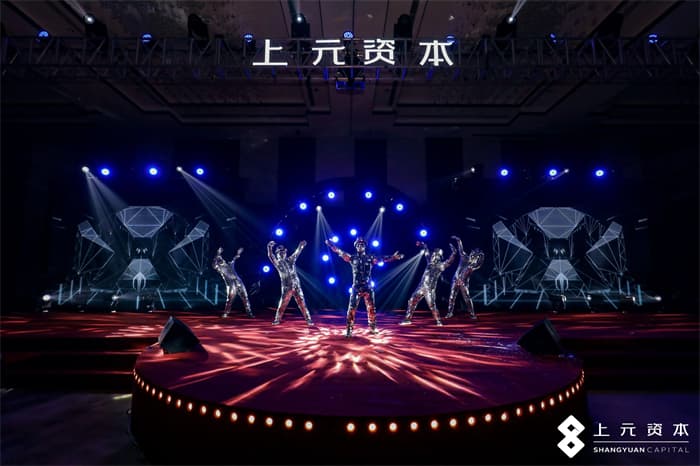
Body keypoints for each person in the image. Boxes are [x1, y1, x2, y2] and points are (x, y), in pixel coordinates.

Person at [325, 237, 404, 337]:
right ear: (355, 246)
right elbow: (339, 251)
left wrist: (393, 257)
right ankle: (349, 330)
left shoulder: (370, 258)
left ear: (365, 246)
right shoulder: (352, 258)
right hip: (356, 287)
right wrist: (331, 245)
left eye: (362, 244)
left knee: (371, 308)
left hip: (368, 287)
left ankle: (373, 327)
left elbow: (383, 258)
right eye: (358, 244)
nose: (360, 246)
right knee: (352, 309)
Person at [400, 241, 457, 326]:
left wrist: (454, 253)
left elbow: (449, 262)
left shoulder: (440, 266)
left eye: (435, 255)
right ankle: (407, 319)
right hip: (421, 287)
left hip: (429, 289)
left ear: (439, 257)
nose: (433, 256)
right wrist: (423, 245)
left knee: (432, 305)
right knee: (412, 301)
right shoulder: (429, 263)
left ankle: (438, 320)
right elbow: (426, 252)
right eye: (433, 254)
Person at [267, 240, 313, 326]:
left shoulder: (290, 260)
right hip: (286, 287)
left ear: (285, 253)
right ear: (277, 254)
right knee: (282, 304)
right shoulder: (277, 263)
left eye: (283, 252)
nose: (282, 254)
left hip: (296, 286)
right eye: (280, 253)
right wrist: (269, 247)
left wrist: (301, 246)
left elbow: (297, 253)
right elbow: (271, 256)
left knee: (302, 303)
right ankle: (277, 319)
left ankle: (308, 319)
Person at [446, 237, 485, 320]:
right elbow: (460, 250)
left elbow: (479, 264)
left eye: (476, 257)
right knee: (452, 296)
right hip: (455, 279)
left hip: (464, 282)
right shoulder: (464, 257)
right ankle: (449, 313)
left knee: (466, 297)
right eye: (473, 255)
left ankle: (472, 313)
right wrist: (459, 240)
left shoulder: (473, 266)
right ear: (471, 254)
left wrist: (481, 256)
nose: (473, 257)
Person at [212, 246, 254, 318]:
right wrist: (217, 253)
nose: (221, 259)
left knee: (245, 297)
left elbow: (235, 257)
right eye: (219, 259)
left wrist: (238, 253)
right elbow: (213, 265)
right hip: (231, 284)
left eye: (221, 258)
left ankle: (249, 313)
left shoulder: (230, 263)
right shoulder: (219, 268)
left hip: (238, 281)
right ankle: (226, 313)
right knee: (230, 299)